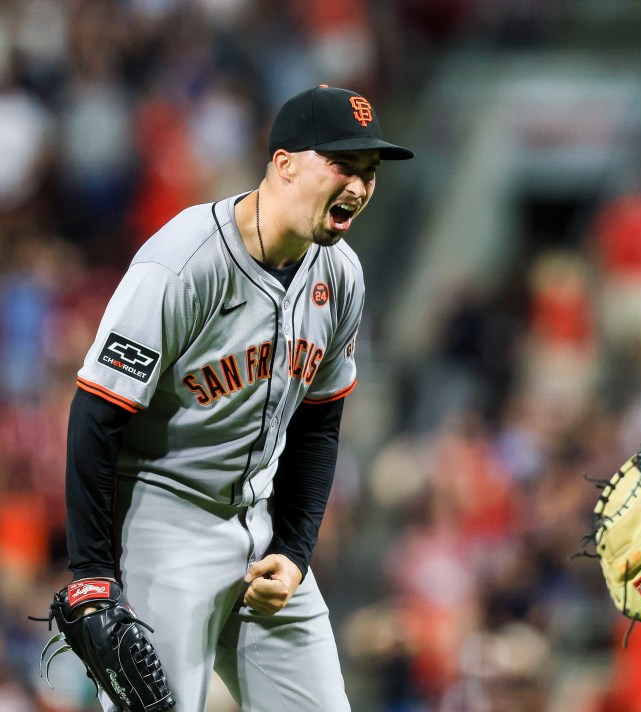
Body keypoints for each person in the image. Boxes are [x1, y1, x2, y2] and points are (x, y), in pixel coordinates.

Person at [62, 85, 413, 710]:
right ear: (283, 165)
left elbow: (319, 425)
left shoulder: (341, 276)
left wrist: (295, 551)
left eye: (368, 173)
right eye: (343, 166)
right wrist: (91, 575)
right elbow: (95, 414)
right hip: (161, 525)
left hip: (258, 523)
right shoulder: (183, 262)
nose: (358, 187)